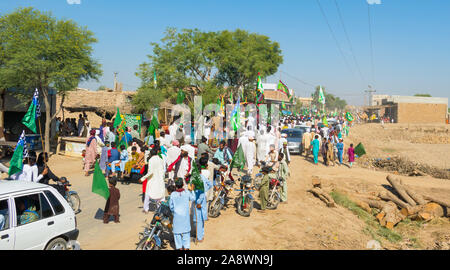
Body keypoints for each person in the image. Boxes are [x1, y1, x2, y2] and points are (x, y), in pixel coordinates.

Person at [169, 178, 195, 250]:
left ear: (176, 185)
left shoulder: (173, 194)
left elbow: (171, 206)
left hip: (177, 217)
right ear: (183, 185)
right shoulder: (187, 193)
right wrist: (192, 190)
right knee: (186, 233)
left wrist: (174, 212)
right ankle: (186, 248)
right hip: (185, 217)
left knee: (177, 233)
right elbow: (193, 198)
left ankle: (180, 248)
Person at [193, 157, 213, 242]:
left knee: (198, 220)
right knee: (200, 218)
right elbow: (210, 185)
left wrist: (198, 201)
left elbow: (201, 191)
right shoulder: (202, 177)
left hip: (199, 200)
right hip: (202, 199)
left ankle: (199, 237)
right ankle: (201, 234)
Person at [140, 148, 166, 213]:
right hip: (160, 179)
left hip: (153, 180)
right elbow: (163, 170)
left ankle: (146, 209)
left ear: (151, 154)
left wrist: (143, 178)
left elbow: (150, 172)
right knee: (160, 194)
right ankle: (160, 209)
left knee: (148, 194)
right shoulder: (160, 159)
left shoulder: (151, 160)